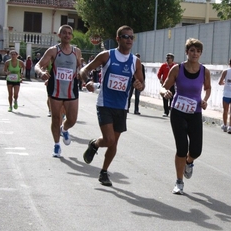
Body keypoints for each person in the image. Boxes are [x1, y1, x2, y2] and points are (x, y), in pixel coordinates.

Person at [81, 25, 145, 186]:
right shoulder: (107, 56)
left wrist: (139, 85)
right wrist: (87, 81)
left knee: (113, 143)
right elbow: (84, 70)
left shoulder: (135, 62)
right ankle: (95, 143)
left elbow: (142, 83)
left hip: (122, 107)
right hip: (105, 104)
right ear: (118, 39)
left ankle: (104, 171)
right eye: (126, 36)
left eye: (132, 37)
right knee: (109, 139)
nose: (129, 40)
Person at [160, 38, 211, 195]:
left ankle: (189, 162)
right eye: (192, 50)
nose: (195, 54)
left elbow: (208, 89)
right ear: (187, 52)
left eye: (198, 51)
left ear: (201, 53)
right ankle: (179, 182)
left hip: (195, 112)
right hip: (178, 112)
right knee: (182, 148)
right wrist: (165, 92)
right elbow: (164, 87)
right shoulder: (177, 69)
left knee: (196, 150)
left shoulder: (204, 71)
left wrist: (205, 100)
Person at [35, 24, 82, 158]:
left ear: (71, 36)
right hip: (55, 89)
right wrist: (41, 73)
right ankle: (56, 145)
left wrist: (82, 74)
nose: (67, 35)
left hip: (71, 90)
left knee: (72, 119)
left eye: (69, 33)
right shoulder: (53, 50)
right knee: (56, 118)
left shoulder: (76, 51)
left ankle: (65, 129)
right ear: (59, 35)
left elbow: (80, 66)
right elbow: (38, 65)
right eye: (64, 33)